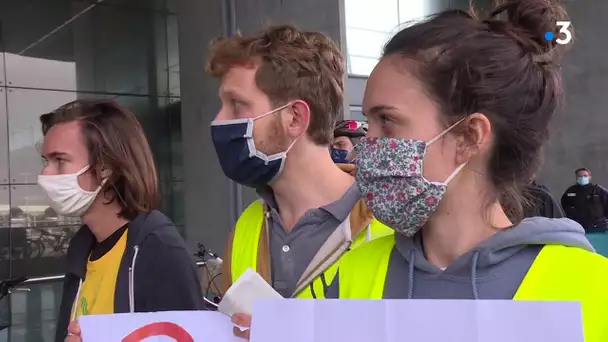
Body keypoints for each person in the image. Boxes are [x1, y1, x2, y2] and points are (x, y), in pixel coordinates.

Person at [326, 1, 608, 341]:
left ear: (469, 136)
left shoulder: (590, 286)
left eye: (387, 120)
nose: (366, 144)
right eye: (369, 122)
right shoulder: (356, 271)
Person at [205, 25, 392, 338]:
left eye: (236, 104)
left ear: (294, 118)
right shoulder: (245, 229)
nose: (219, 120)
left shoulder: (390, 226)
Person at [37, 100, 204, 342]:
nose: (45, 174)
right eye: (46, 161)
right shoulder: (82, 248)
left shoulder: (158, 250)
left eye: (60, 160)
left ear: (106, 168)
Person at [561, 167, 608, 256]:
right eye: (580, 176)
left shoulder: (598, 191)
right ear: (576, 177)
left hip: (599, 229)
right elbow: (564, 204)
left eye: (585, 176)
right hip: (580, 230)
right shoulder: (571, 191)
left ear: (590, 177)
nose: (582, 178)